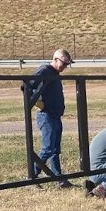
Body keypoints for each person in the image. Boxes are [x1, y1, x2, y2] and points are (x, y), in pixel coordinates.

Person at [28, 48, 73, 188]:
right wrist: (37, 101)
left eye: (67, 64)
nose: (65, 67)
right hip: (46, 115)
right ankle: (32, 177)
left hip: (55, 115)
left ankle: (59, 179)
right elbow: (27, 86)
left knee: (55, 150)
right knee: (47, 149)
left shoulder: (55, 73)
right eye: (64, 64)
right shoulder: (45, 70)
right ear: (55, 59)